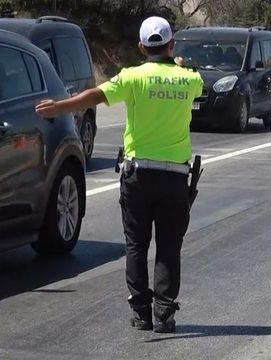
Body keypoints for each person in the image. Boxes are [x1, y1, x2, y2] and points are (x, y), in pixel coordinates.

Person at [35, 16, 204, 333]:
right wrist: (178, 64)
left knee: (136, 245)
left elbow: (94, 96)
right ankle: (164, 313)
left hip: (138, 175)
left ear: (141, 47)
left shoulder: (132, 77)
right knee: (168, 247)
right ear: (171, 44)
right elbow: (195, 81)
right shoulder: (188, 79)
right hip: (174, 179)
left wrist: (59, 107)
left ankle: (142, 313)